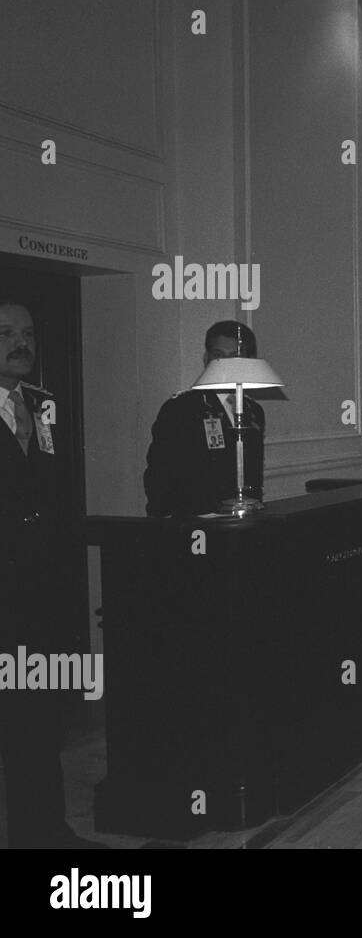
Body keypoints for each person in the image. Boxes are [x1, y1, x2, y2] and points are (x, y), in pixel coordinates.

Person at [0, 302, 99, 848]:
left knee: (38, 721)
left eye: (29, 334)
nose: (22, 343)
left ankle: (45, 832)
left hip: (39, 594)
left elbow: (54, 495)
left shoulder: (42, 406)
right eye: (7, 333)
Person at [143, 321, 264, 517]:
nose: (224, 365)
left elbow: (253, 475)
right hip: (195, 522)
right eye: (218, 356)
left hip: (242, 523)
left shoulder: (253, 410)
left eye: (234, 357)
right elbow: (159, 478)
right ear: (206, 358)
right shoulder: (181, 408)